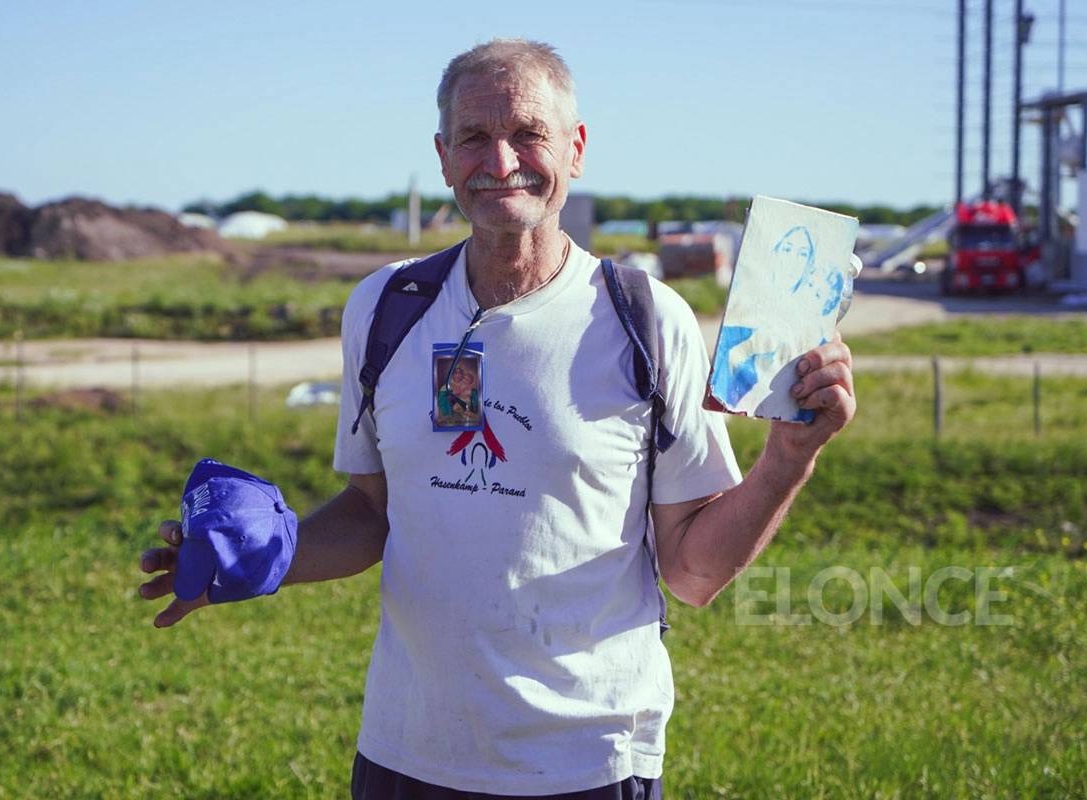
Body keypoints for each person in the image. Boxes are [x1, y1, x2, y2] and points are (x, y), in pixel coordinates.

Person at [138, 38, 856, 799]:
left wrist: (788, 459)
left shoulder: (645, 319)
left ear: (576, 150)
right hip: (406, 754)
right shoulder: (385, 308)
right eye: (475, 137)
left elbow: (694, 572)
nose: (501, 160)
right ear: (444, 157)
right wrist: (261, 557)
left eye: (528, 134)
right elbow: (373, 516)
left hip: (587, 763)